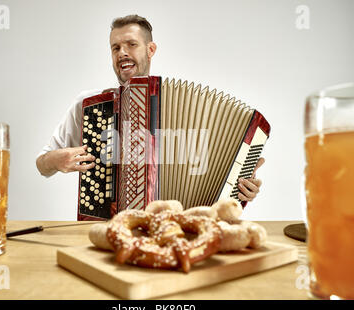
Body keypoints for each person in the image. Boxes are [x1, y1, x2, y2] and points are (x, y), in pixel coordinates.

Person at [36, 14, 264, 202]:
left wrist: (239, 186)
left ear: (150, 49)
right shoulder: (91, 105)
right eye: (115, 48)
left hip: (176, 231)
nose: (122, 52)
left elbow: (210, 174)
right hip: (111, 228)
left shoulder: (187, 109)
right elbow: (42, 164)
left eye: (131, 45)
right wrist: (56, 160)